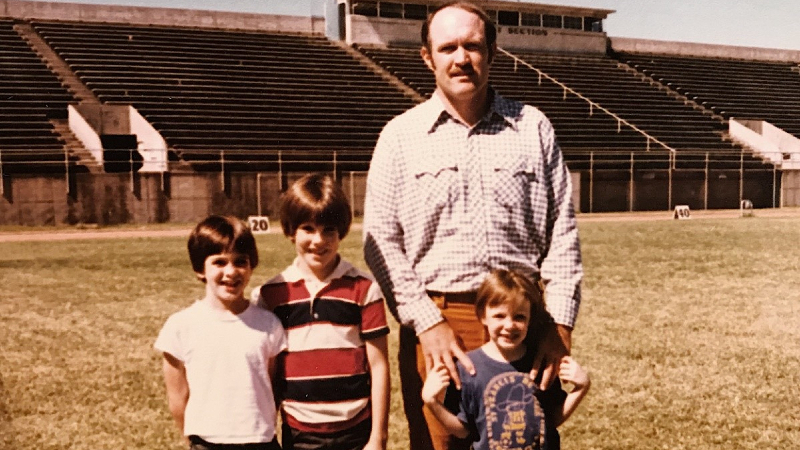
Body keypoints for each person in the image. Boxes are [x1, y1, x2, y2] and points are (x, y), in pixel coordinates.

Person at [363, 2, 583, 450]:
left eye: (472, 45)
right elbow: (380, 242)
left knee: (526, 442)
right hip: (443, 321)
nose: (461, 58)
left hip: (522, 320)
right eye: (447, 47)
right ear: (428, 57)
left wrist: (558, 326)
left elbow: (562, 231)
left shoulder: (532, 127)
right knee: (443, 442)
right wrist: (427, 323)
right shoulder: (400, 137)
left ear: (493, 51)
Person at [253, 173, 391, 450]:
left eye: (329, 230)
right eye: (308, 228)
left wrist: (378, 437)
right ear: (290, 231)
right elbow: (269, 375)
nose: (319, 240)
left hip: (356, 430)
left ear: (341, 232)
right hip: (300, 431)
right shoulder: (271, 295)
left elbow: (378, 366)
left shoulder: (364, 289)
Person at [155, 215, 286, 449]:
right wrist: (192, 440)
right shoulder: (181, 327)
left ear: (251, 266)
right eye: (219, 262)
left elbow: (271, 385)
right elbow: (178, 398)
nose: (231, 271)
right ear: (200, 269)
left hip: (260, 441)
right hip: (207, 441)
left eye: (240, 261)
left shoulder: (268, 324)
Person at [421, 269, 590, 450]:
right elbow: (463, 430)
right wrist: (431, 401)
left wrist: (581, 388)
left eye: (519, 317)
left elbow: (552, 419)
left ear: (530, 318)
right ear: (482, 316)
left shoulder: (539, 364)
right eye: (499, 316)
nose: (509, 325)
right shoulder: (468, 369)